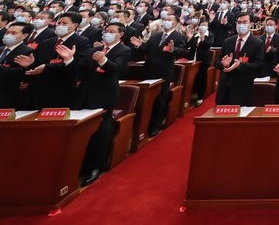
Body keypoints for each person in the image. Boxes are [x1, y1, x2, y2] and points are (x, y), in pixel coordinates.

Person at [58, 23, 131, 186]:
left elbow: (118, 70)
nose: (107, 34)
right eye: (106, 31)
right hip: (83, 95)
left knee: (100, 132)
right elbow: (79, 70)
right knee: (80, 131)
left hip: (104, 96)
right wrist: (69, 59)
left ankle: (95, 166)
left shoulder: (124, 50)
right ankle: (80, 164)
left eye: (112, 32)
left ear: (120, 34)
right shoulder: (92, 50)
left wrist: (104, 60)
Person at [129, 13, 186, 137]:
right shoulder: (155, 35)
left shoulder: (179, 36)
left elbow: (182, 51)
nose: (166, 21)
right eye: (165, 19)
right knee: (145, 98)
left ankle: (156, 124)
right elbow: (147, 50)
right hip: (148, 69)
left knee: (160, 98)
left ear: (175, 23)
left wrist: (173, 50)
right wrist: (140, 46)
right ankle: (141, 125)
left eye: (169, 20)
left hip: (163, 71)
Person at [19, 11, 90, 109]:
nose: (60, 25)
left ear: (75, 25)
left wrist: (67, 59)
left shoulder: (81, 41)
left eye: (64, 23)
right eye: (59, 23)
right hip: (38, 88)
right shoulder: (46, 42)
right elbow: (38, 63)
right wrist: (29, 64)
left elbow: (78, 65)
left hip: (60, 88)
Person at [215, 13, 265, 106]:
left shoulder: (257, 43)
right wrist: (224, 65)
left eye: (244, 22)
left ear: (250, 24)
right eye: (239, 22)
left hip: (243, 87)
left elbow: (259, 64)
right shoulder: (228, 41)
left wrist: (240, 66)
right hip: (225, 87)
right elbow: (217, 62)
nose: (241, 25)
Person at [0, 23, 34, 108]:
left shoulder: (28, 51)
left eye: (13, 33)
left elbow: (19, 72)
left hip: (8, 95)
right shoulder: (1, 49)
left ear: (24, 35)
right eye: (7, 32)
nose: (8, 35)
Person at [186, 20, 214, 105]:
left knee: (202, 78)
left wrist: (202, 37)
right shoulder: (195, 35)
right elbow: (187, 45)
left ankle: (200, 97)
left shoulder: (210, 35)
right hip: (193, 60)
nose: (202, 26)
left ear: (207, 27)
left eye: (205, 25)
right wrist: (189, 38)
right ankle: (189, 97)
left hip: (203, 61)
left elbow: (208, 45)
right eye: (201, 25)